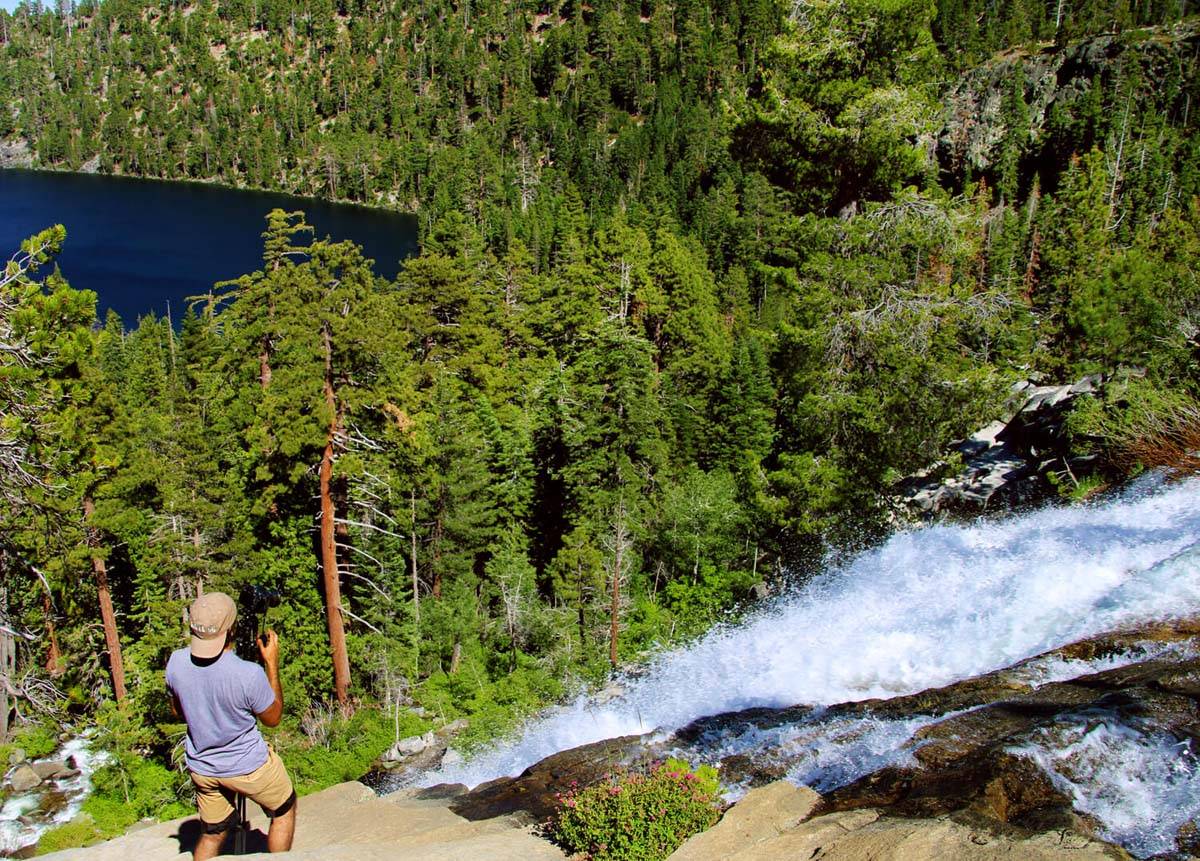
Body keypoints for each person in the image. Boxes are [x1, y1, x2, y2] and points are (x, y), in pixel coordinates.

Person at [166, 592, 297, 860]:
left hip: (204, 768)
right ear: (231, 629)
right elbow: (272, 719)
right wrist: (271, 663)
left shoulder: (176, 662)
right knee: (284, 810)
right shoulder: (248, 674)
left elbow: (177, 711)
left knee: (213, 832)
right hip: (248, 767)